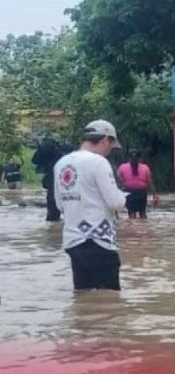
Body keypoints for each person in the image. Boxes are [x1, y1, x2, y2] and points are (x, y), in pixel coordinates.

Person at [53, 120, 126, 291]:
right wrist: (123, 197)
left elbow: (60, 205)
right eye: (110, 146)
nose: (109, 151)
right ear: (105, 140)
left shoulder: (61, 164)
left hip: (73, 242)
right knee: (109, 303)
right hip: (99, 242)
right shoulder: (98, 162)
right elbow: (114, 202)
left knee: (84, 299)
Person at [31, 137, 68, 222]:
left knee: (52, 210)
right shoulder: (59, 152)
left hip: (52, 180)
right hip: (62, 180)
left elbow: (34, 160)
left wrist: (39, 149)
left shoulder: (44, 153)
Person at [117, 149, 155, 219]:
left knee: (131, 214)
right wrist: (154, 195)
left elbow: (118, 180)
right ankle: (142, 228)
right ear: (140, 159)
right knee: (142, 214)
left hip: (130, 193)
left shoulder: (122, 167)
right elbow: (149, 182)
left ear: (128, 158)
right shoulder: (145, 168)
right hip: (141, 193)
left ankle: (133, 228)